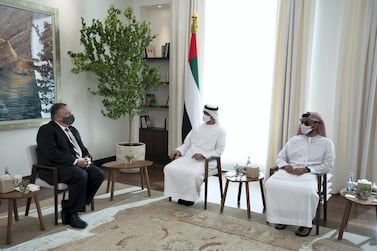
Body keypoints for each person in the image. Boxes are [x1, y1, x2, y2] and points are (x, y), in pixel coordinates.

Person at [265, 112, 335, 237]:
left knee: (307, 191)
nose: (303, 125)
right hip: (289, 171)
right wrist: (286, 166)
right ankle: (282, 217)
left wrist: (307, 169)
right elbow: (280, 157)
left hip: (309, 174)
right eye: (301, 122)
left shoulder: (326, 143)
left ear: (316, 124)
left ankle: (305, 223)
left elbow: (328, 166)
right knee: (271, 184)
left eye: (306, 123)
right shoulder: (294, 140)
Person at [36, 103, 104, 229]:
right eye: (67, 114)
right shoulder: (46, 130)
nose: (71, 116)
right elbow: (52, 154)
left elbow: (82, 148)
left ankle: (69, 207)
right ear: (57, 118)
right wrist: (76, 162)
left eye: (70, 112)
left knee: (98, 174)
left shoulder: (72, 130)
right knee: (80, 175)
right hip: (54, 168)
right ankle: (72, 213)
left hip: (73, 165)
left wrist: (87, 158)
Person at [164, 104, 226, 206]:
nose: (203, 115)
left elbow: (219, 151)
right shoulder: (197, 127)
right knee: (169, 168)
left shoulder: (220, 131)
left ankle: (190, 198)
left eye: (206, 113)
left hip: (206, 161)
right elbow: (187, 144)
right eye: (203, 112)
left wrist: (203, 155)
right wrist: (178, 150)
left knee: (193, 174)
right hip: (189, 158)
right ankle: (180, 195)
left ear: (212, 115)